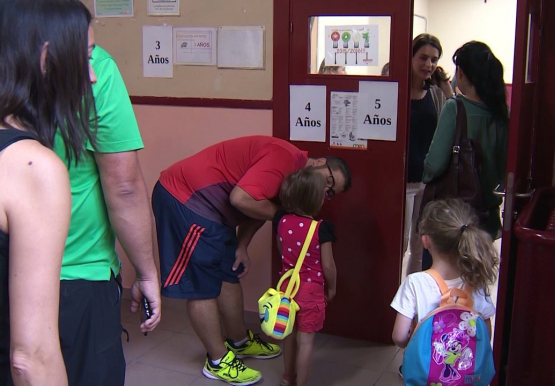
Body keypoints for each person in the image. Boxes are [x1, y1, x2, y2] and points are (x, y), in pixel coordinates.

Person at [152, 136, 351, 385]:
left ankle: (240, 342)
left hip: (214, 211)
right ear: (319, 162)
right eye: (328, 181)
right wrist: (287, 217)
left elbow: (258, 201)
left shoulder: (295, 180)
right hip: (185, 198)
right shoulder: (284, 159)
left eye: (330, 192)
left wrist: (242, 244)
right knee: (200, 284)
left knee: (229, 272)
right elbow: (241, 199)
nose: (324, 190)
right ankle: (217, 360)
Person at [51, 13, 163, 386]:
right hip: (80, 274)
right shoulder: (96, 68)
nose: (91, 72)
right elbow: (124, 185)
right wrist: (147, 273)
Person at [0, 0, 101, 383]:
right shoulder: (32, 167)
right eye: (85, 57)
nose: (91, 76)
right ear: (46, 58)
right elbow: (31, 357)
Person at [423, 41, 509, 271]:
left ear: (461, 72)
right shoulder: (502, 115)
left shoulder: (455, 108)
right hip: (488, 218)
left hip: (454, 218)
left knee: (444, 286)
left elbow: (434, 164)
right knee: (474, 283)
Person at [391, 198, 498, 362]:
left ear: (425, 240)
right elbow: (486, 333)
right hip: (466, 373)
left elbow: (399, 337)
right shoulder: (476, 280)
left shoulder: (415, 283)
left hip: (426, 372)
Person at [275, 169, 337, 386]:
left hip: (287, 289)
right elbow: (328, 265)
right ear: (315, 199)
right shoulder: (321, 229)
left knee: (288, 335)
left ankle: (287, 377)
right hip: (310, 292)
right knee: (306, 341)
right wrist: (332, 288)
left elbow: (282, 251)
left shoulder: (281, 221)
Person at [402, 33, 447, 278]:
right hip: (403, 181)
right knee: (402, 242)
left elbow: (451, 124)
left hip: (427, 181)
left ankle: (410, 299)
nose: (428, 65)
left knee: (419, 245)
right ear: (410, 57)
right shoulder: (396, 93)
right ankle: (395, 296)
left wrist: (446, 87)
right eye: (423, 58)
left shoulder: (436, 95)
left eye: (434, 59)